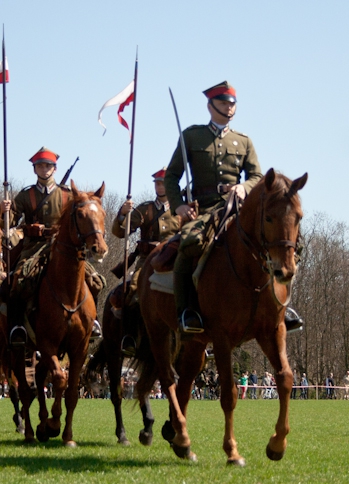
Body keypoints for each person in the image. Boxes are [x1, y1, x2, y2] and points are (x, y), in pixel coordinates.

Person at [164, 81, 303, 334]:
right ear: (211, 105)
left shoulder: (244, 141)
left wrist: (244, 188)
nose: (229, 108)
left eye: (232, 103)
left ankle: (281, 308)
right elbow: (171, 177)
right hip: (205, 209)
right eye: (224, 103)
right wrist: (179, 207)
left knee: (278, 242)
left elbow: (257, 176)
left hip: (238, 207)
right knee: (188, 245)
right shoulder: (191, 136)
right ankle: (187, 312)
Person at [1, 147, 104, 346]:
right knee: (18, 280)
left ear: (55, 169)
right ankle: (17, 327)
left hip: (63, 246)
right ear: (34, 170)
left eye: (48, 166)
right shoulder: (26, 195)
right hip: (33, 247)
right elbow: (10, 222)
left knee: (96, 281)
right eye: (40, 166)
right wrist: (6, 211)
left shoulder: (67, 195)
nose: (44, 169)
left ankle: (93, 321)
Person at [110, 167, 184, 351]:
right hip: (147, 260)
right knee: (133, 290)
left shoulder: (181, 209)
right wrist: (122, 214)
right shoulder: (145, 209)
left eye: (163, 183)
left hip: (175, 258)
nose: (159, 187)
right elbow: (120, 232)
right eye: (157, 183)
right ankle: (129, 335)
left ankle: (195, 336)